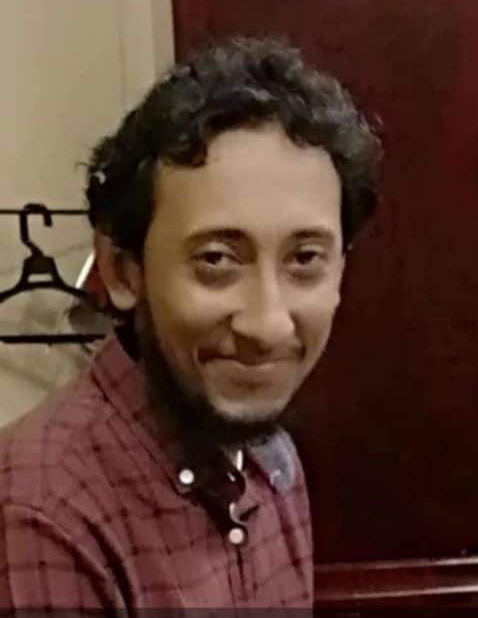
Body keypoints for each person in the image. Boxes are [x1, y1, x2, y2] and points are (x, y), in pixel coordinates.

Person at [0, 36, 382, 610]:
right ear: (122, 270)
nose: (267, 325)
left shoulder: (273, 462)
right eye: (216, 260)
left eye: (305, 258)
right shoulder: (42, 513)